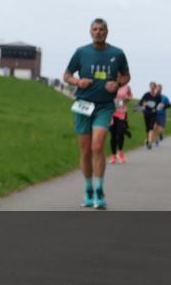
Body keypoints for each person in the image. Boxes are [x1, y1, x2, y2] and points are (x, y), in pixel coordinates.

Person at [63, 18, 131, 209]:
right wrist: (78, 82)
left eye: (101, 29)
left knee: (97, 146)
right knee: (85, 150)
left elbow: (126, 76)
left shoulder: (117, 53)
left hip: (104, 106)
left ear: (107, 32)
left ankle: (99, 190)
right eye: (95, 29)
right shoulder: (81, 52)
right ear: (90, 31)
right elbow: (66, 75)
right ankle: (88, 190)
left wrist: (118, 84)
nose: (98, 32)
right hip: (83, 105)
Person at [110, 83, 133, 164]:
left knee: (121, 132)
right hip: (111, 113)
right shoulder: (110, 84)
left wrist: (127, 99)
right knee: (113, 135)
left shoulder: (127, 87)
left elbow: (130, 96)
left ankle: (120, 151)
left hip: (122, 112)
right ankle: (113, 155)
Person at [139, 82, 158, 149]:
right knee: (147, 128)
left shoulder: (157, 96)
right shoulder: (146, 94)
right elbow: (140, 102)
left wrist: (160, 106)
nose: (152, 87)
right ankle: (148, 140)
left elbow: (160, 104)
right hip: (146, 113)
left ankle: (150, 143)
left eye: (153, 86)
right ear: (149, 87)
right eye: (151, 86)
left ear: (155, 87)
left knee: (151, 127)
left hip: (154, 113)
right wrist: (143, 104)